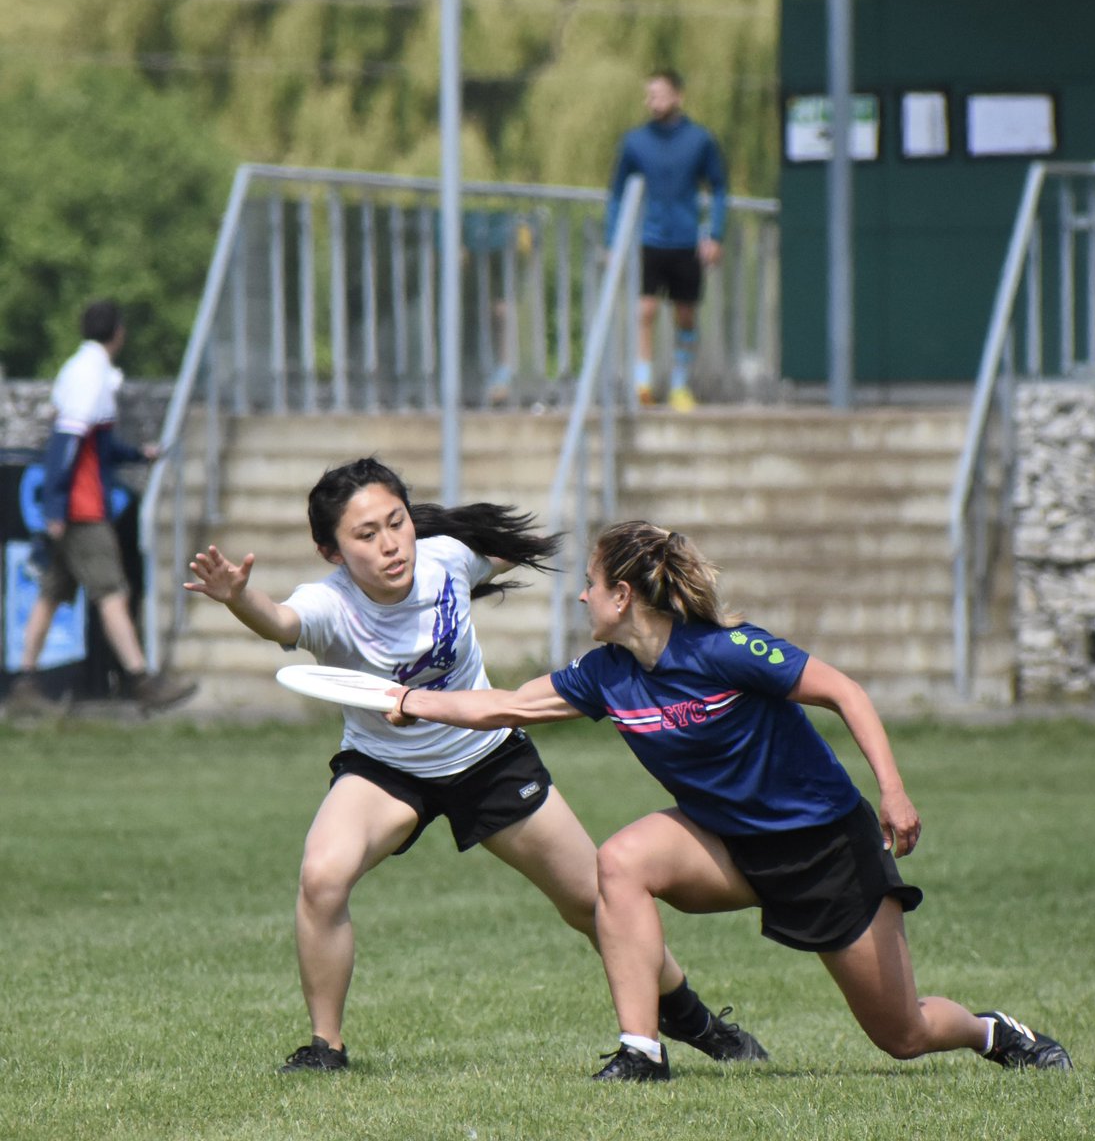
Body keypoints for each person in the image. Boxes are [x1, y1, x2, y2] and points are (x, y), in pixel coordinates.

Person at [384, 521, 1074, 1082]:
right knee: (620, 862)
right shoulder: (605, 674)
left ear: (622, 596)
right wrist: (411, 701)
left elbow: (845, 692)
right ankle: (641, 1052)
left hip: (826, 852)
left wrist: (892, 791)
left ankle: (993, 1033)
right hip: (728, 846)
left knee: (903, 1034)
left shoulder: (725, 650)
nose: (581, 599)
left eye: (589, 586)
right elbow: (504, 705)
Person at [183, 459, 765, 1074]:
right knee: (322, 877)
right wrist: (239, 597)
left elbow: (512, 552)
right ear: (331, 551)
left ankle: (696, 1021)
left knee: (594, 903)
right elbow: (280, 621)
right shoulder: (329, 604)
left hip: (487, 757)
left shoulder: (449, 559)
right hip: (386, 768)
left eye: (397, 523)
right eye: (366, 535)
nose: (390, 544)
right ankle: (326, 1047)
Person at [7, 299, 196, 715]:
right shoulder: (91, 377)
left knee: (50, 594)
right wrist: (57, 506)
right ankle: (141, 679)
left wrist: (138, 454)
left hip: (72, 508)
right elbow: (66, 445)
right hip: (83, 510)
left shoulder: (79, 370)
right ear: (118, 332)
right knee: (112, 592)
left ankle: (25, 682)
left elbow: (98, 446)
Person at [605, 68, 727, 412]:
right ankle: (642, 381)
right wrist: (614, 241)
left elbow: (719, 187)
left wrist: (715, 233)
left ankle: (680, 384)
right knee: (645, 309)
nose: (652, 101)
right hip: (651, 238)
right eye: (649, 95)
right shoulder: (635, 142)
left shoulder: (700, 140)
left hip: (686, 240)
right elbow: (616, 193)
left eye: (658, 94)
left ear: (677, 96)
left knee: (685, 314)